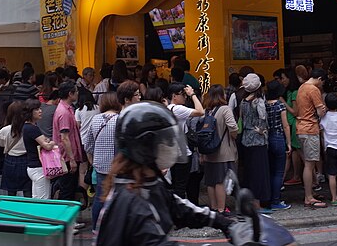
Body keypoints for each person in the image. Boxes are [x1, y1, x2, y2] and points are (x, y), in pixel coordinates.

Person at [95, 102, 241, 246]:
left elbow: (183, 210)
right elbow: (155, 240)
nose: (172, 146)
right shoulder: (133, 200)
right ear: (145, 148)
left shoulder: (148, 183)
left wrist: (225, 223)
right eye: (165, 141)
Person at [84, 92, 122, 229]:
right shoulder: (120, 120)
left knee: (100, 198)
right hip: (118, 167)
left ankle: (96, 228)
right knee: (117, 199)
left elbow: (88, 145)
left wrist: (93, 162)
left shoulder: (95, 119)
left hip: (100, 166)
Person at [202, 84, 238, 216]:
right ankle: (221, 209)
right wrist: (234, 137)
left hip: (208, 151)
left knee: (211, 181)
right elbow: (233, 127)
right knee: (220, 181)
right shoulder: (225, 109)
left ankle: (214, 207)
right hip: (223, 151)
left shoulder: (207, 110)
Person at [166, 82, 204, 199]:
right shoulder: (178, 109)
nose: (185, 97)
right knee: (180, 187)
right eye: (183, 94)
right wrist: (193, 94)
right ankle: (179, 213)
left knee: (174, 186)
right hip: (182, 153)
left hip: (171, 153)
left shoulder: (168, 108)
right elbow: (200, 111)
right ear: (174, 96)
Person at [296, 68, 327, 208]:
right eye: (322, 82)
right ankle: (308, 197)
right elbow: (321, 112)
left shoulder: (301, 87)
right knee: (309, 165)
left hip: (301, 128)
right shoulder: (313, 89)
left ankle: (310, 194)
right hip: (310, 129)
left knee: (308, 164)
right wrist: (324, 109)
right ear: (320, 79)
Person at [238, 74, 271, 210]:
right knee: (259, 172)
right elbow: (263, 120)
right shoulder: (259, 101)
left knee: (249, 171)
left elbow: (241, 118)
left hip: (246, 137)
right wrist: (263, 130)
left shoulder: (243, 101)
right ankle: (257, 203)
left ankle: (249, 202)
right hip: (258, 139)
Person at [51, 81, 85, 202]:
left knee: (68, 189)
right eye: (76, 91)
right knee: (67, 191)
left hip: (68, 156)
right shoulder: (64, 112)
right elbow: (64, 138)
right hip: (67, 158)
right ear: (70, 94)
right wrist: (72, 159)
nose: (77, 93)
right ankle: (66, 219)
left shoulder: (66, 109)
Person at [23, 99, 57, 199]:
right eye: (37, 109)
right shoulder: (32, 128)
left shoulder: (28, 127)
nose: (40, 111)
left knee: (36, 197)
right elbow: (46, 145)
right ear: (30, 112)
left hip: (32, 166)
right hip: (38, 167)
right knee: (43, 198)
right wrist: (53, 142)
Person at [265, 80, 290, 211]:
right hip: (278, 137)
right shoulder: (280, 105)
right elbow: (285, 125)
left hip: (267, 138)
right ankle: (276, 200)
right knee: (279, 172)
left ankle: (268, 198)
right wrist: (289, 142)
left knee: (270, 170)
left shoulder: (264, 104)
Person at [0, 102, 31, 197]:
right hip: (26, 159)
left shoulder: (5, 130)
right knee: (27, 189)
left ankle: (11, 209)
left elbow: (0, 144)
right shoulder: (29, 128)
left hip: (10, 160)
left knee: (11, 191)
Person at [278, 68, 304, 187]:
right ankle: (295, 177)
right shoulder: (289, 92)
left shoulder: (294, 92)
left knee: (300, 153)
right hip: (290, 124)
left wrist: (283, 102)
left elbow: (294, 111)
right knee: (293, 152)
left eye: (283, 78)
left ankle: (313, 180)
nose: (282, 81)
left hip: (293, 124)